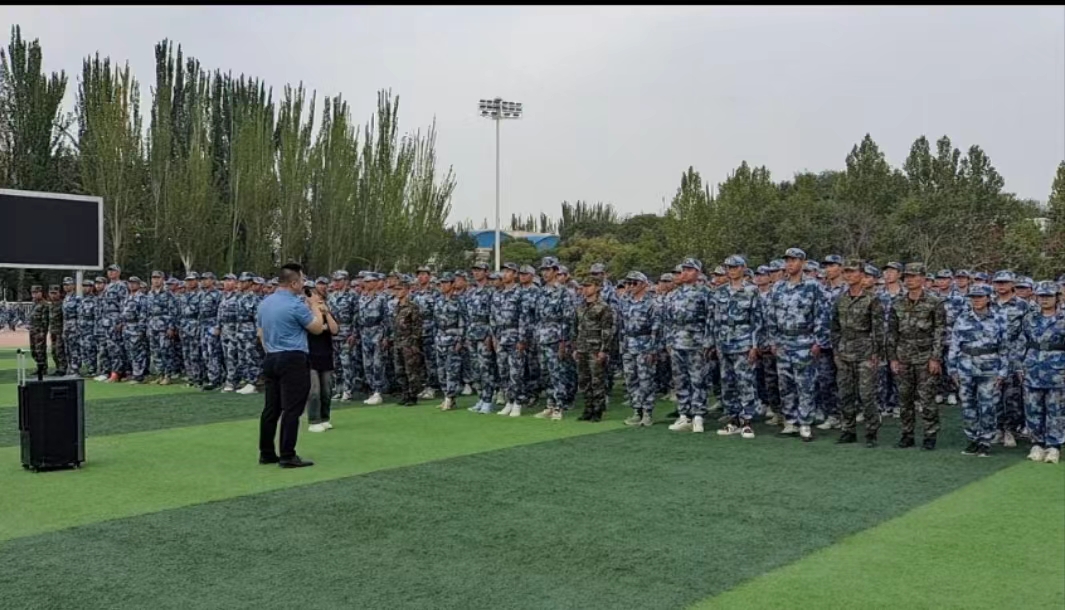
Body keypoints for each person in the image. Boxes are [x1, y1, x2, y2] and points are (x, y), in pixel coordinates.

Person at [257, 263, 326, 469]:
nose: (304, 284)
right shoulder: (295, 305)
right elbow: (316, 328)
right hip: (293, 358)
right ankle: (287, 455)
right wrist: (315, 306)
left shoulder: (265, 303)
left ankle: (267, 452)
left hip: (271, 356)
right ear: (294, 283)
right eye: (302, 280)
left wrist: (271, 351)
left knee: (271, 408)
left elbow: (261, 333)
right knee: (292, 409)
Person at [305, 283, 339, 433]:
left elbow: (335, 330)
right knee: (314, 391)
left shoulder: (326, 312)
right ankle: (314, 420)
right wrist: (323, 327)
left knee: (326, 390)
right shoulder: (305, 314)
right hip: (309, 355)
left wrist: (327, 314)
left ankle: (325, 418)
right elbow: (316, 329)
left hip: (326, 354)